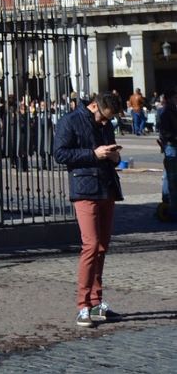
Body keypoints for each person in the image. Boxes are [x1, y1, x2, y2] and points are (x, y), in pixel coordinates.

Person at [54, 91, 124, 328]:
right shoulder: (70, 121)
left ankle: (96, 302)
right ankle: (82, 305)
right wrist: (93, 154)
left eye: (110, 119)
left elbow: (108, 152)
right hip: (84, 188)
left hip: (106, 187)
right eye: (104, 117)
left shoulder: (106, 123)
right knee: (91, 245)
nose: (106, 122)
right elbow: (60, 154)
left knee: (102, 246)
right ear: (94, 106)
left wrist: (113, 156)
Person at [156, 87, 177, 221]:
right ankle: (170, 208)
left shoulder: (173, 110)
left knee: (169, 176)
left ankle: (168, 203)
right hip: (171, 147)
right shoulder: (165, 112)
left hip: (173, 145)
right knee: (172, 178)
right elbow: (164, 132)